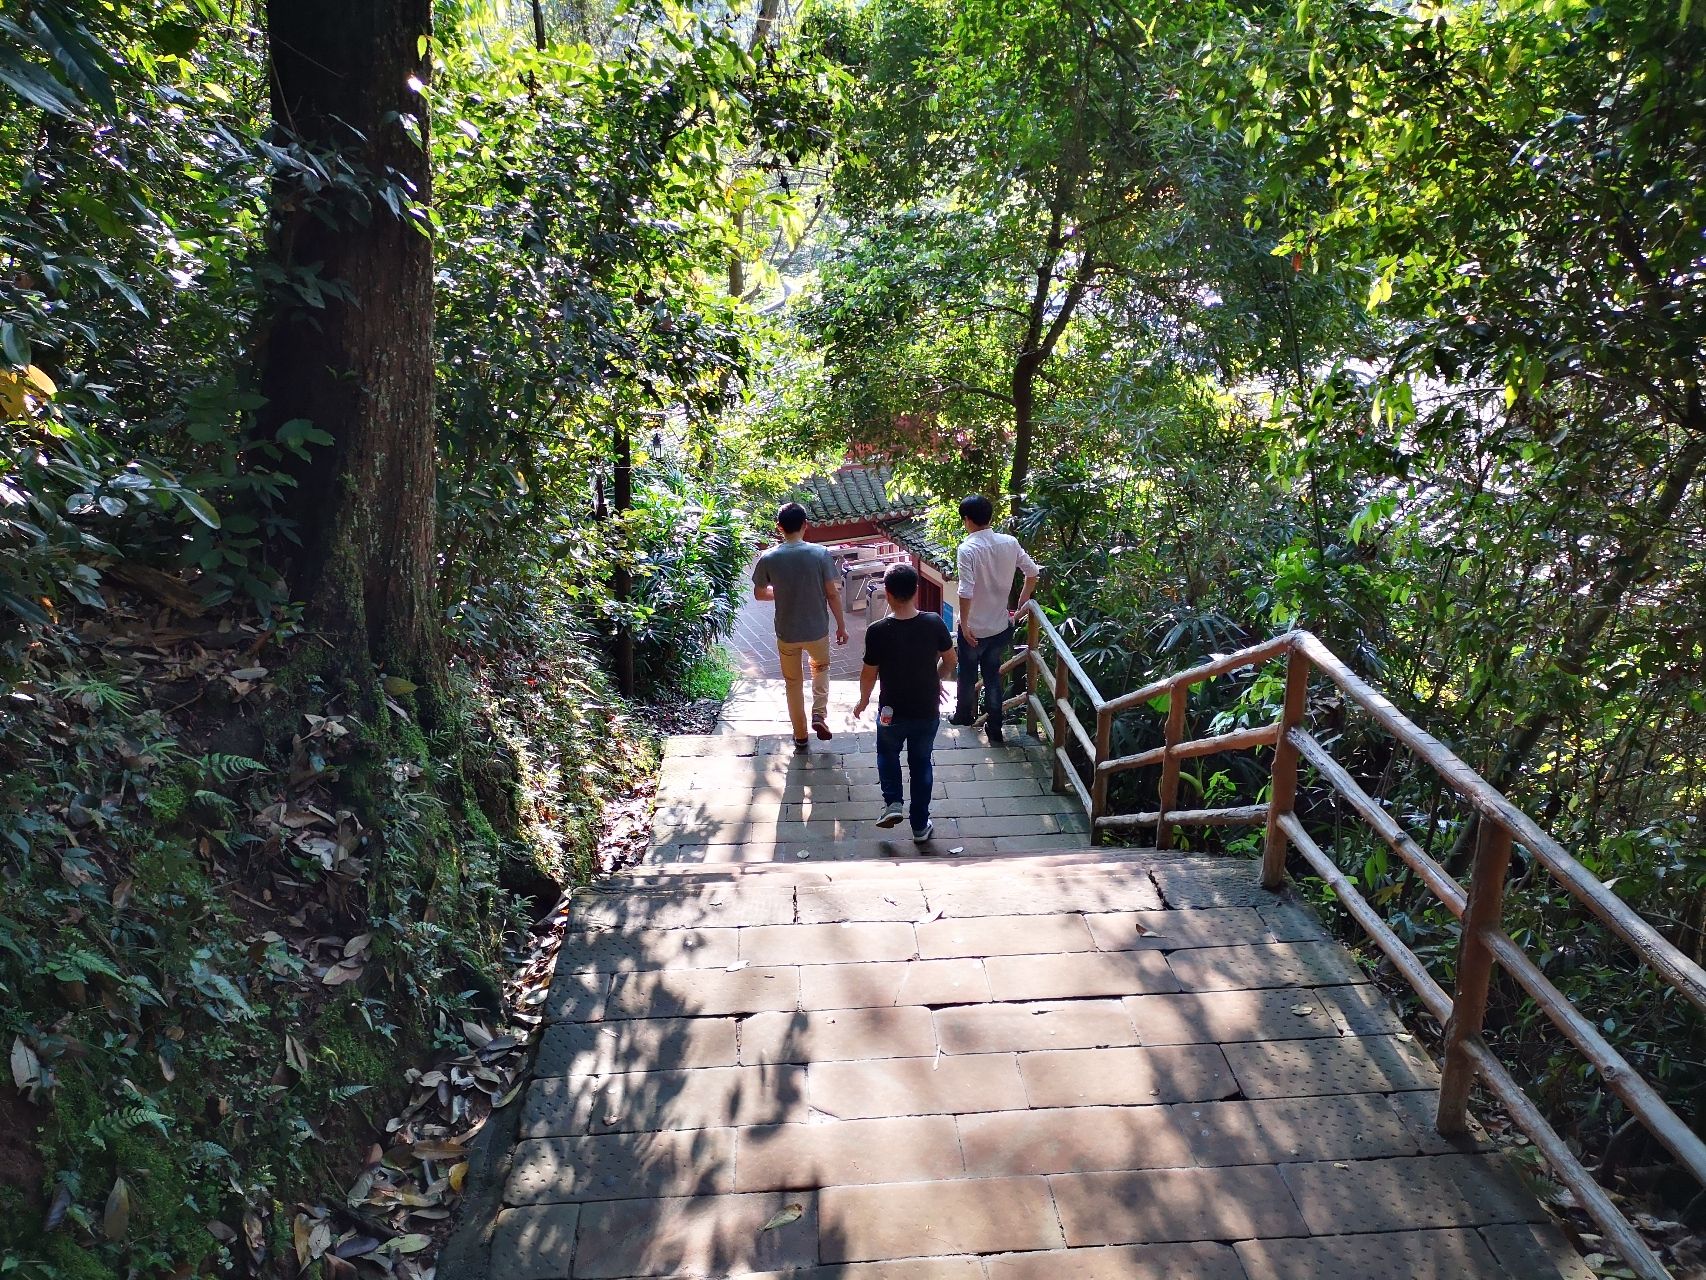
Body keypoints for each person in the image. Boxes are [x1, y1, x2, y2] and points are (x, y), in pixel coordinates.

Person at [854, 564, 956, 843]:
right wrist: (936, 681)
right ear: (916, 591)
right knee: (921, 762)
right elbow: (950, 660)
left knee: (887, 754)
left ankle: (893, 803)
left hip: (891, 710)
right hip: (925, 709)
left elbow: (869, 672)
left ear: (887, 594)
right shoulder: (933, 622)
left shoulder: (877, 631)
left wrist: (863, 701)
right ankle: (920, 826)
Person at [752, 502, 848, 751]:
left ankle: (801, 735)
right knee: (821, 670)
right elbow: (832, 594)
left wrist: (782, 591)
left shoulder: (768, 557)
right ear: (806, 525)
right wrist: (841, 626)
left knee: (793, 683)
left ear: (779, 528)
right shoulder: (820, 554)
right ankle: (819, 714)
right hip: (817, 631)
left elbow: (760, 594)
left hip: (787, 633)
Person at [949, 494, 1040, 745]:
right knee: (992, 677)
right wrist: (1020, 606)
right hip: (1000, 627)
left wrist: (965, 625)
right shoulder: (1009, 542)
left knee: (967, 675)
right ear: (990, 517)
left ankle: (963, 716)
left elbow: (965, 590)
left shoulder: (967, 549)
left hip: (974, 630)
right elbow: (1032, 573)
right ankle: (995, 727)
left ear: (967, 520)